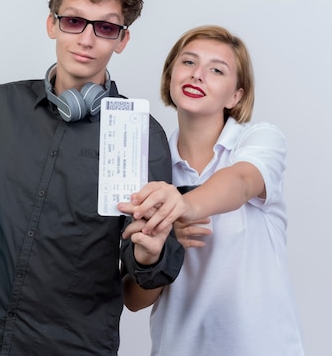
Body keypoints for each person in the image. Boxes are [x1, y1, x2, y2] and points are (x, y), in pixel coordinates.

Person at [0, 0, 184, 356]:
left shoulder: (142, 135)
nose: (86, 39)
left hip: (75, 345)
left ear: (122, 40)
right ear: (52, 24)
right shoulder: (5, 104)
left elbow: (148, 268)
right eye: (73, 21)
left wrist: (149, 254)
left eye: (104, 27)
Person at [118, 25, 306, 355]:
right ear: (170, 76)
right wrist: (154, 253)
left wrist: (179, 206)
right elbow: (134, 300)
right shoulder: (145, 168)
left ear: (236, 95)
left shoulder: (258, 140)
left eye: (217, 70)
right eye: (188, 62)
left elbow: (241, 182)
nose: (198, 75)